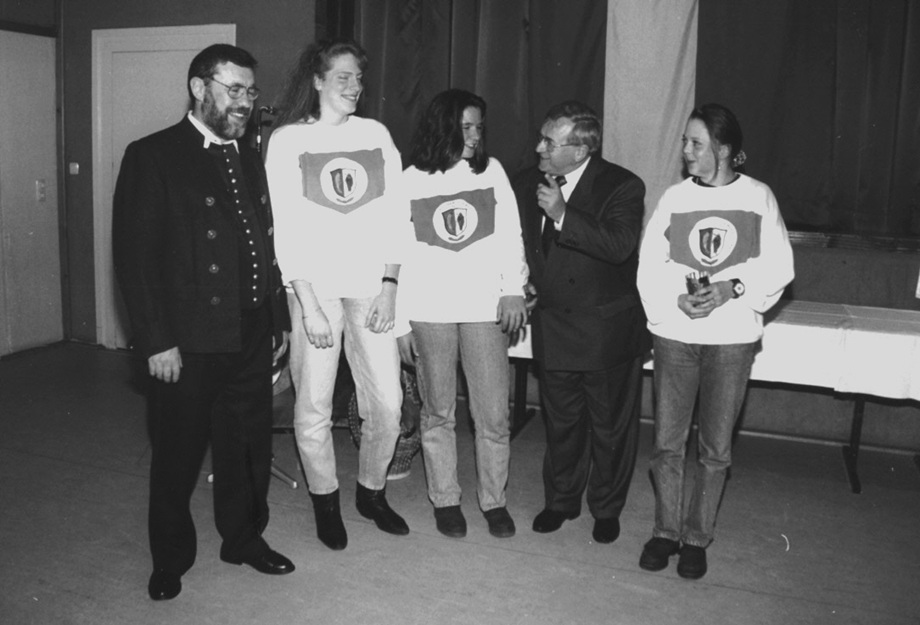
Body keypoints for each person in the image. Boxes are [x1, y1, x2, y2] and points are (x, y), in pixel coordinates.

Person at [113, 44, 295, 601]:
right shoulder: (153, 154)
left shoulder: (248, 154)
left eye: (250, 91)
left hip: (250, 331)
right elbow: (135, 258)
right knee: (177, 456)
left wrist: (277, 319)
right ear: (198, 88)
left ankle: (243, 539)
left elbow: (264, 244)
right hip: (186, 342)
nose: (245, 102)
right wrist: (156, 340)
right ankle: (170, 559)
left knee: (247, 448)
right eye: (233, 89)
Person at [636, 103, 794, 579]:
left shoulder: (758, 197)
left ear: (723, 151)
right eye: (685, 141)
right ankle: (665, 531)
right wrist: (676, 301)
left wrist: (732, 288)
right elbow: (650, 265)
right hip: (676, 338)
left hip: (730, 342)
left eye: (695, 143)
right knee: (667, 443)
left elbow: (779, 267)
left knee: (715, 449)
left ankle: (696, 537)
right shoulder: (674, 199)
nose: (685, 150)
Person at [265, 39, 409, 551]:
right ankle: (325, 500)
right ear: (318, 80)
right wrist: (306, 305)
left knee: (388, 404)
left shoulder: (375, 134)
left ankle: (371, 492)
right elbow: (285, 228)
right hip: (316, 291)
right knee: (313, 405)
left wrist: (389, 285)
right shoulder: (288, 140)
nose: (355, 87)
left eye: (359, 79)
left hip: (371, 288)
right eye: (343, 77)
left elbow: (397, 215)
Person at [511, 101, 648, 545]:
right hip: (553, 327)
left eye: (550, 143)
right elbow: (521, 246)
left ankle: (606, 508)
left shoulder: (622, 185)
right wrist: (527, 282)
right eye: (541, 138)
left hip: (605, 332)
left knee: (610, 428)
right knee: (562, 423)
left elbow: (619, 245)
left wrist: (563, 215)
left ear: (581, 150)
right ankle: (561, 501)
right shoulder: (525, 182)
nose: (539, 148)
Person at [397, 89, 529, 539]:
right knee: (438, 412)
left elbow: (510, 235)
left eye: (478, 127)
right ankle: (445, 499)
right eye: (466, 127)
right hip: (429, 311)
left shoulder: (491, 172)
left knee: (492, 414)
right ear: (445, 128)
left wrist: (512, 290)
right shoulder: (411, 179)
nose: (475, 136)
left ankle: (494, 501)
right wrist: (400, 323)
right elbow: (397, 253)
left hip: (483, 309)